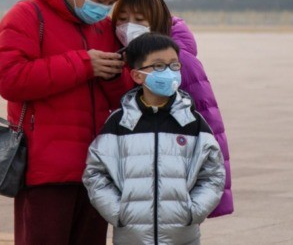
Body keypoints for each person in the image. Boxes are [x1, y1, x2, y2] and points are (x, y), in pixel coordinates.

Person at [0, 0, 137, 245]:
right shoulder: (27, 15)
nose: (104, 8)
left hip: (96, 170)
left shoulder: (103, 27)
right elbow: (9, 79)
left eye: (112, 2)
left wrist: (112, 73)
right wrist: (85, 64)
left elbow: (120, 97)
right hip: (45, 171)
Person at [83, 32, 226, 244]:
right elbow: (95, 173)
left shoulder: (192, 122)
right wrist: (119, 213)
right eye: (158, 66)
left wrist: (193, 211)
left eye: (174, 66)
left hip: (183, 236)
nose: (169, 72)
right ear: (137, 76)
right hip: (131, 237)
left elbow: (213, 174)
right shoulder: (119, 123)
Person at [111, 0, 233, 218]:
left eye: (139, 19)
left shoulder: (181, 61)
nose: (128, 27)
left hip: (176, 177)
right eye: (122, 19)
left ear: (156, 21)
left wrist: (210, 189)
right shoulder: (123, 58)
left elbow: (209, 122)